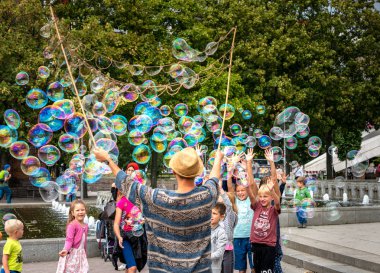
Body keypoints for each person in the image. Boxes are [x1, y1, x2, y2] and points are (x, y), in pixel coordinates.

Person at [93, 146, 223, 273]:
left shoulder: (156, 199)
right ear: (197, 173)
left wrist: (108, 160)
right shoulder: (207, 196)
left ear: (173, 171)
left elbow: (127, 184)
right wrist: (218, 159)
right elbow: (214, 179)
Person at [228, 149, 255, 273]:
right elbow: (229, 187)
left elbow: (251, 183)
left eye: (242, 190)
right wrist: (230, 168)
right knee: (241, 267)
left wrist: (247, 165)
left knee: (254, 265)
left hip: (252, 237)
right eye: (238, 191)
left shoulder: (251, 199)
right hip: (238, 238)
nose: (240, 192)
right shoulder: (235, 201)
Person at [248, 177, 281, 273]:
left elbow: (278, 203)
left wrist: (272, 191)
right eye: (261, 196)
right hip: (256, 244)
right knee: (257, 270)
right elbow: (251, 197)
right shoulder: (257, 206)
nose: (262, 199)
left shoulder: (273, 210)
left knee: (266, 271)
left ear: (271, 197)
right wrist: (247, 186)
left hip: (268, 246)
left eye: (265, 196)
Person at [114, 187, 146, 273]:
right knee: (132, 268)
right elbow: (116, 224)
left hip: (137, 238)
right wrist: (119, 237)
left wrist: (143, 221)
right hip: (125, 238)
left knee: (130, 267)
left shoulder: (139, 202)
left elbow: (143, 219)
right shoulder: (121, 203)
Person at [57, 200, 89, 273]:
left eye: (82, 210)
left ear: (85, 211)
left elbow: (84, 242)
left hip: (81, 254)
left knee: (84, 270)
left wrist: (85, 252)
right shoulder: (72, 225)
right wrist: (66, 249)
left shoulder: (86, 226)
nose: (80, 212)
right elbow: (69, 240)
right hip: (73, 254)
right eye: (77, 210)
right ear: (73, 213)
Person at [218, 180, 237, 273]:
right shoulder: (217, 217)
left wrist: (221, 189)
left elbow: (228, 206)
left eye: (223, 202)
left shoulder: (230, 216)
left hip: (227, 250)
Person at [211, 202, 228, 273]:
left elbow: (220, 252)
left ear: (221, 217)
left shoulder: (221, 232)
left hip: (214, 268)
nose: (211, 215)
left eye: (214, 213)